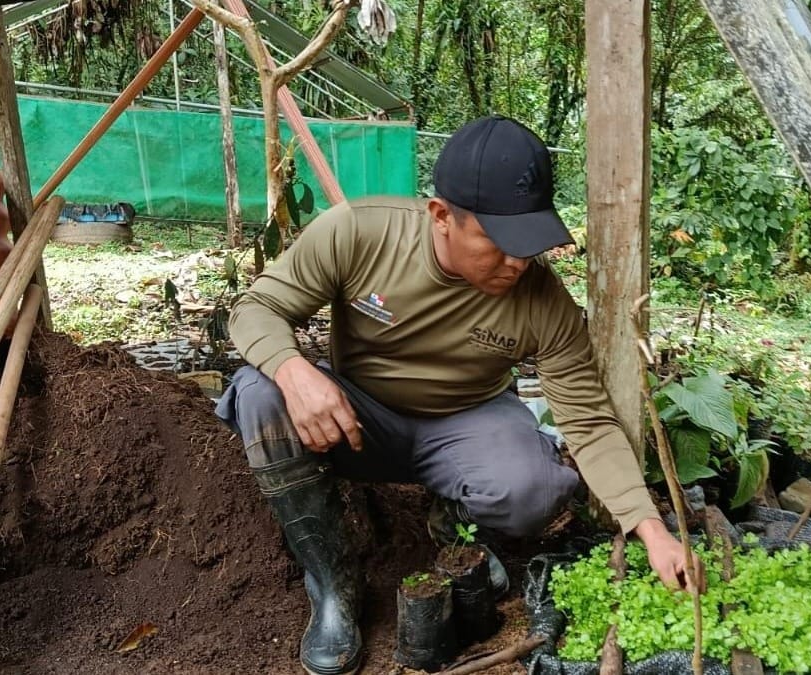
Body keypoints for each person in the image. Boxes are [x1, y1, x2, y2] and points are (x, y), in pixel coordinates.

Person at [216, 115, 699, 675]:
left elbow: (588, 423)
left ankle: (455, 521)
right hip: (360, 417)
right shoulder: (359, 232)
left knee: (534, 487)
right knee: (261, 392)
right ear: (442, 217)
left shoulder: (543, 300)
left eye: (530, 242)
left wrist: (651, 529)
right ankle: (333, 581)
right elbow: (254, 309)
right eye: (499, 243)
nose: (518, 262)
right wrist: (294, 369)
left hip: (467, 421)